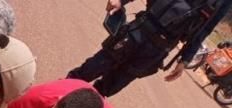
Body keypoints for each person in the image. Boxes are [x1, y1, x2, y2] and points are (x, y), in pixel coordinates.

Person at [67, 0, 232, 97]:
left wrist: (185, 60)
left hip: (157, 50)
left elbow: (204, 30)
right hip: (139, 30)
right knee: (90, 69)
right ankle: (51, 100)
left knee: (108, 88)